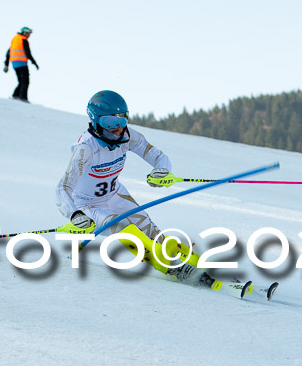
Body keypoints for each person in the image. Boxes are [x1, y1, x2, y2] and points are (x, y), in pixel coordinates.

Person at [55, 90, 214, 288]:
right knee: (123, 228)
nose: (118, 129)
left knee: (152, 232)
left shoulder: (128, 137)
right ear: (95, 122)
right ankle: (175, 269)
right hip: (88, 206)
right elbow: (62, 188)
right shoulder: (86, 148)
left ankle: (205, 267)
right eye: (110, 123)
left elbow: (158, 156)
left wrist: (162, 171)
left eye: (122, 121)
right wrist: (74, 215)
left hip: (115, 195)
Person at [3, 27, 39, 103]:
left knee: (21, 81)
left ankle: (15, 96)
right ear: (24, 33)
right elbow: (28, 53)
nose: (29, 35)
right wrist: (34, 62)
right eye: (28, 34)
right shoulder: (23, 40)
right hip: (22, 63)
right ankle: (23, 98)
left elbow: (8, 53)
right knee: (25, 81)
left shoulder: (15, 39)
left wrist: (6, 64)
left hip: (14, 64)